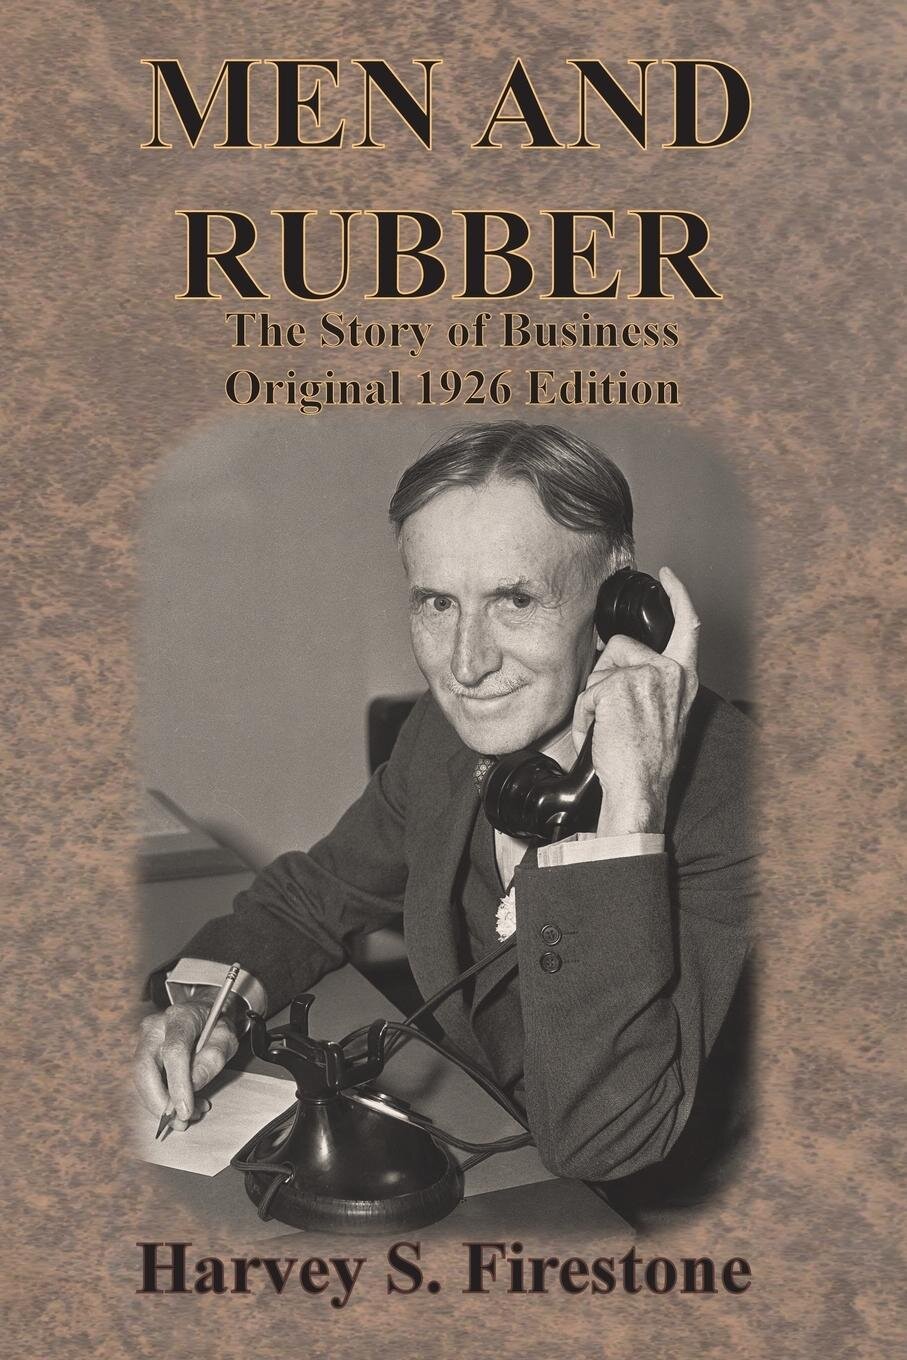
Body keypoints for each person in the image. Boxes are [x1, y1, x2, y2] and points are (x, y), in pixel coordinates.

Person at [135, 421, 755, 1197]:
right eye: (436, 602)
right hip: (485, 1148)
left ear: (620, 601)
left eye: (514, 599)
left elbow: (604, 1143)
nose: (465, 664)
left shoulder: (738, 799)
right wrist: (204, 1005)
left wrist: (629, 815)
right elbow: (310, 900)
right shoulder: (445, 738)